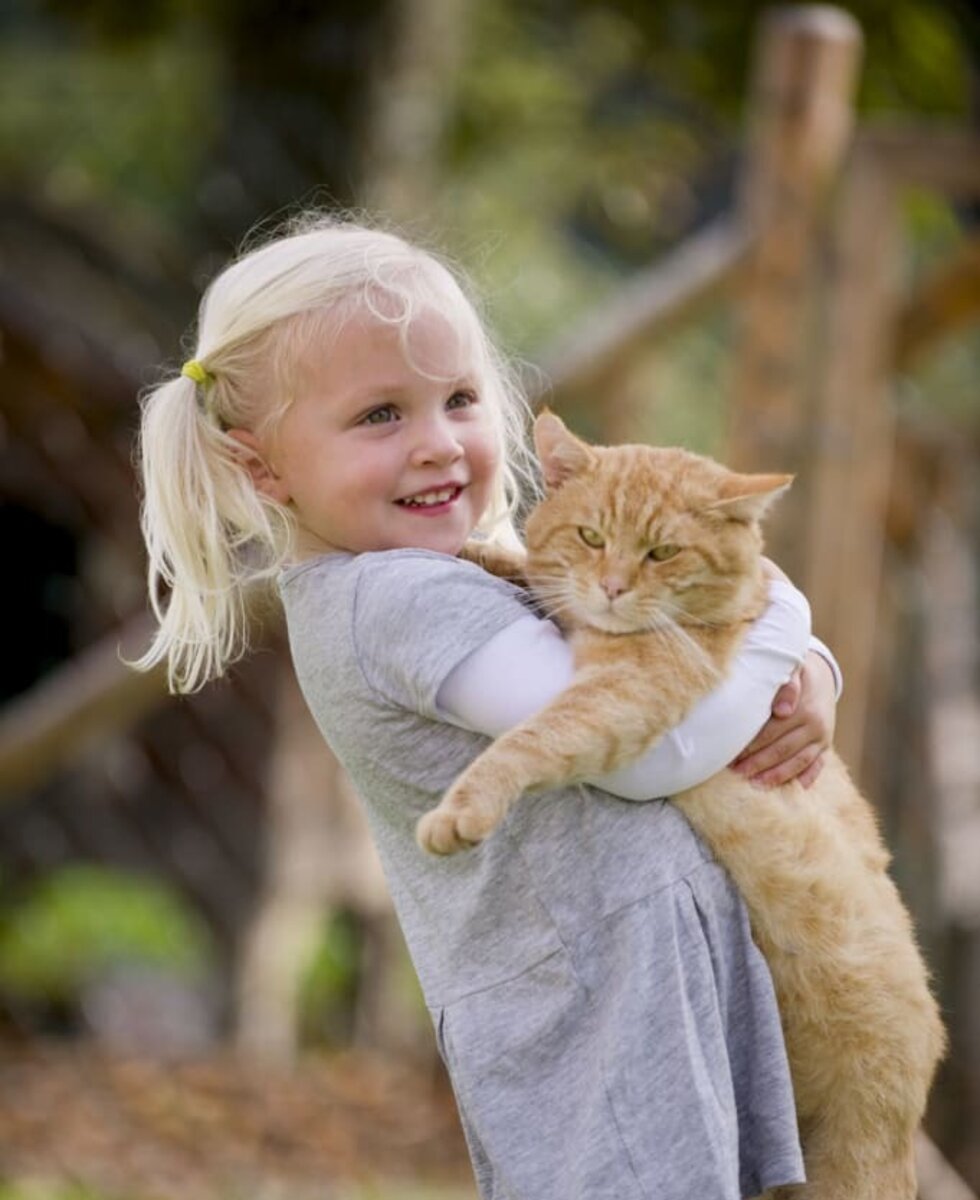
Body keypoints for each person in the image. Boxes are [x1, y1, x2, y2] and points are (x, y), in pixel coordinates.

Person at [134, 214, 841, 1200]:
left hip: (633, 983)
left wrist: (801, 663)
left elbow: (653, 663)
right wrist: (783, 629)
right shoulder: (391, 602)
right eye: (380, 415)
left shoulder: (454, 579)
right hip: (593, 1019)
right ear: (262, 468)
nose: (435, 445)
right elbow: (637, 749)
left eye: (457, 399)